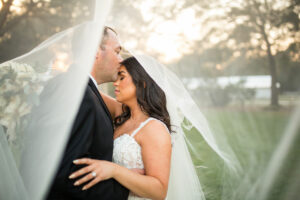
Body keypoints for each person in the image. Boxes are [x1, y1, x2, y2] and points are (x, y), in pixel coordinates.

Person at [69, 56, 173, 200]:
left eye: (122, 78)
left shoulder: (154, 128)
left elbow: (159, 190)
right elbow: (88, 89)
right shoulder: (121, 113)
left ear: (142, 84)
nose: (115, 83)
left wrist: (114, 170)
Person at [46, 26, 129, 200]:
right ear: (96, 51)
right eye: (117, 51)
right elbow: (70, 173)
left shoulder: (81, 89)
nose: (121, 60)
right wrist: (126, 189)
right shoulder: (79, 94)